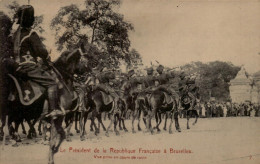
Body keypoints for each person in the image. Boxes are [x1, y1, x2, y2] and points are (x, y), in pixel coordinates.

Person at [10, 5, 60, 118]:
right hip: (29, 67)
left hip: (15, 67)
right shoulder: (31, 34)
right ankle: (54, 110)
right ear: (30, 20)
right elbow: (41, 51)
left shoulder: (13, 35)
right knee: (52, 83)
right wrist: (47, 56)